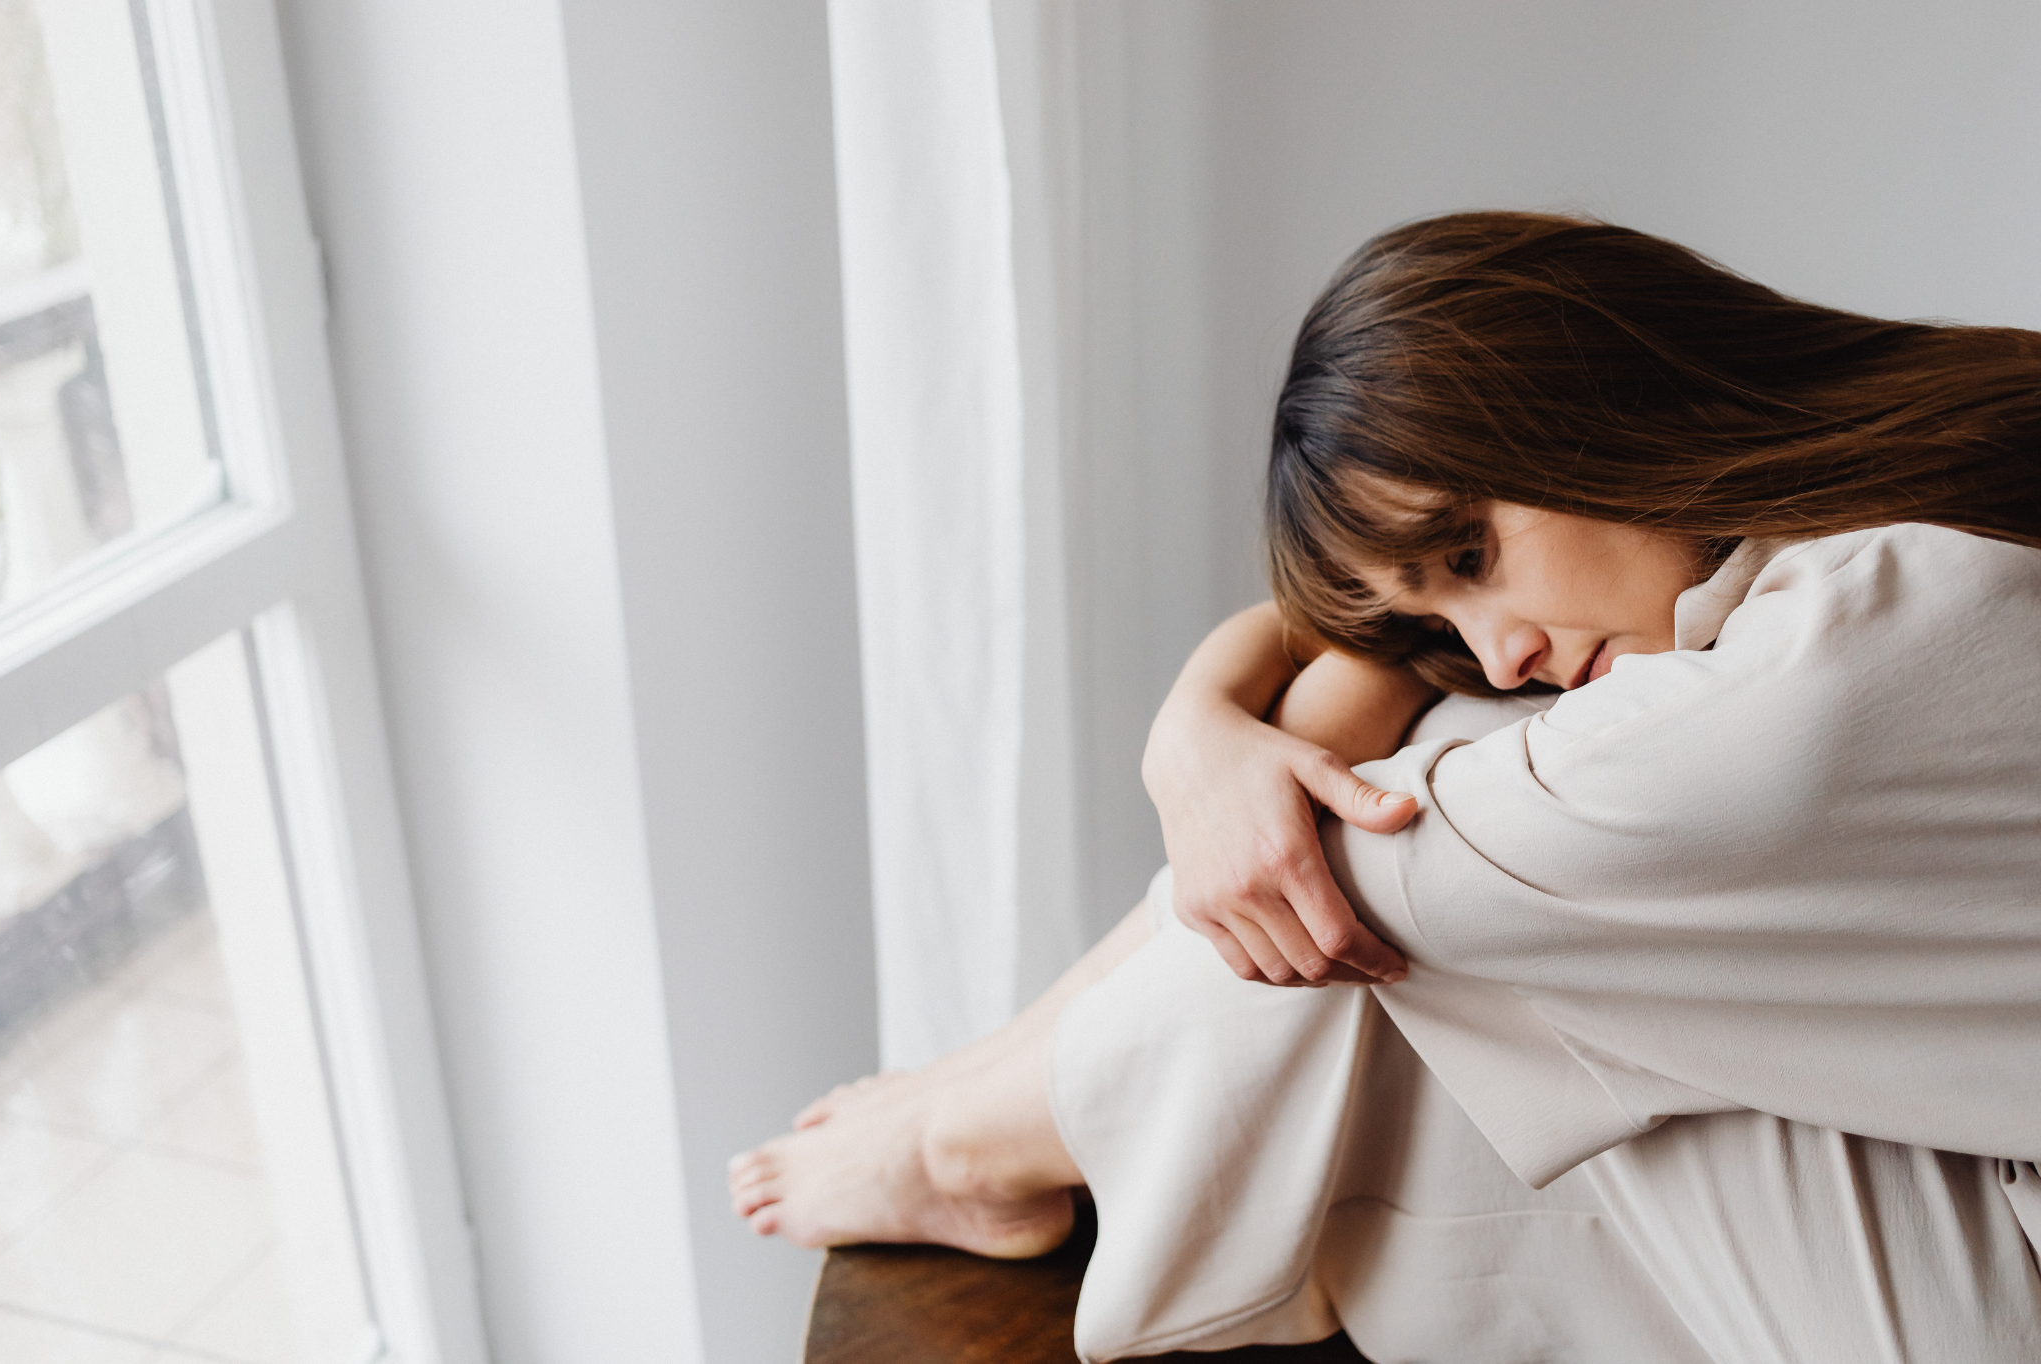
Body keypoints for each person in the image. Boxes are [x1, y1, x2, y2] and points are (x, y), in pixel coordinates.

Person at [729, 213, 2041, 1362]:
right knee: (1437, 784)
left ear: (1606, 395)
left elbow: (1336, 866)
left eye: (1472, 552)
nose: (1505, 645)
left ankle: (970, 1151)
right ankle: (990, 1095)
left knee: (1372, 892)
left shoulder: (1834, 668)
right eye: (1443, 604)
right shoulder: (1924, 515)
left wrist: (970, 1109)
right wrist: (1194, 735)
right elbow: (1353, 669)